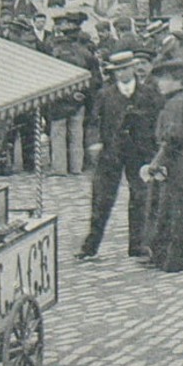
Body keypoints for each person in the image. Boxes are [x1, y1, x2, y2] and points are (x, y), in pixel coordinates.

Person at [77, 50, 163, 261]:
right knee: (102, 198)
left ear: (133, 68)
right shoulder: (105, 94)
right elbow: (94, 121)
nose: (122, 74)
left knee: (140, 197)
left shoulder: (149, 93)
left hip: (140, 152)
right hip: (111, 152)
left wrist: (155, 147)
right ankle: (91, 245)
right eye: (117, 71)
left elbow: (157, 120)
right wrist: (95, 143)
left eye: (125, 69)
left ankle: (138, 244)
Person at [140, 59, 183, 273]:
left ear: (178, 81)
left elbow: (173, 138)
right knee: (179, 207)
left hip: (180, 159)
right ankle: (175, 257)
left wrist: (156, 162)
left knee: (182, 208)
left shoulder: (176, 103)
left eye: (165, 79)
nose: (160, 83)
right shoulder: (180, 99)